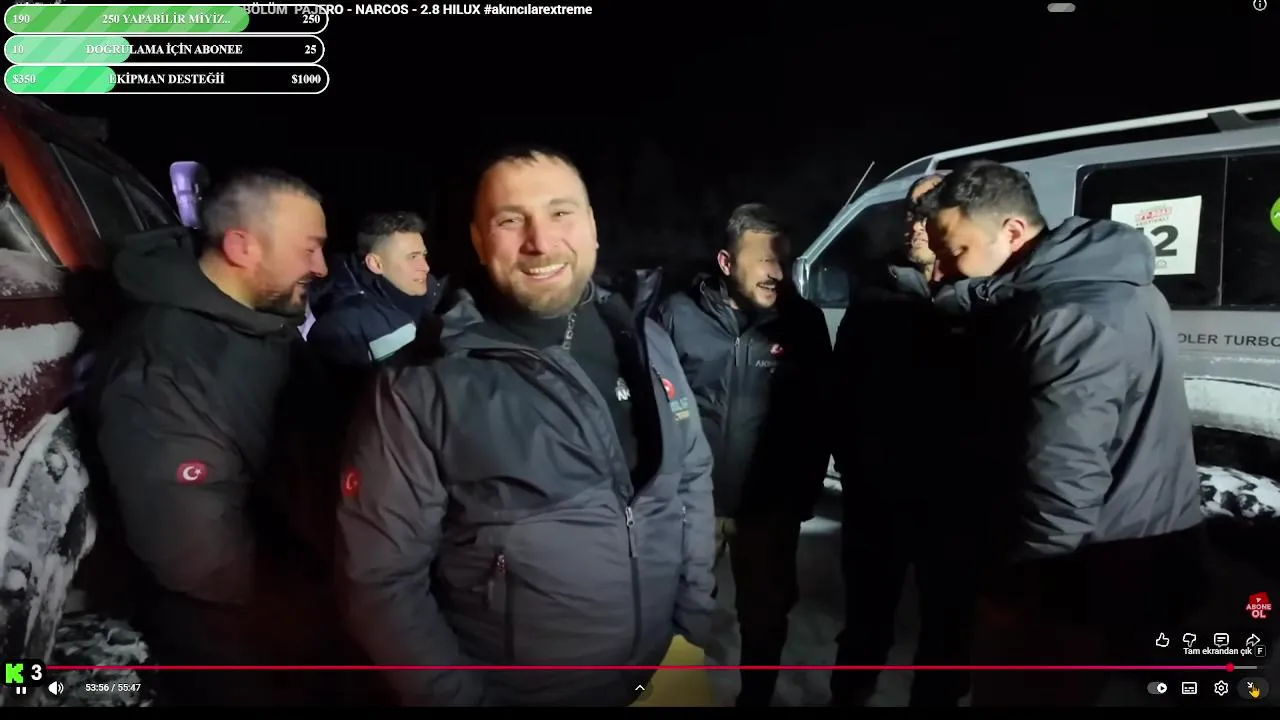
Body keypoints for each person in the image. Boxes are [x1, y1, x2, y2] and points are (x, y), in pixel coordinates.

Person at [336, 146, 718, 706]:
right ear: (478, 240)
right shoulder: (419, 385)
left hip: (664, 669)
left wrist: (693, 620)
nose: (540, 240)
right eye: (510, 220)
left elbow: (689, 476)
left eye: (561, 212)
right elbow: (381, 580)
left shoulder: (643, 338)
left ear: (591, 227)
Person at [920, 160, 1207, 706]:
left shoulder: (1067, 315)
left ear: (1012, 231)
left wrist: (1021, 594)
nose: (941, 269)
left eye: (955, 250)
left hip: (1081, 572)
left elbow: (1062, 474)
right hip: (1139, 544)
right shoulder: (1119, 286)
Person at [86, 169, 337, 705]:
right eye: (309, 249)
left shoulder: (259, 320)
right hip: (237, 635)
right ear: (243, 247)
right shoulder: (165, 366)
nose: (321, 267)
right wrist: (303, 616)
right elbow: (197, 554)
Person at [656, 203, 832, 707]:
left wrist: (800, 495)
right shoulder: (677, 316)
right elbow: (651, 406)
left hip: (769, 506)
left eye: (783, 259)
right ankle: (665, 695)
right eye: (764, 259)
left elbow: (822, 412)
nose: (778, 272)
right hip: (695, 503)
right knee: (675, 611)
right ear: (726, 262)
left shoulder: (803, 323)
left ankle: (755, 699)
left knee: (766, 616)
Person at [829, 173, 977, 708]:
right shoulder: (875, 290)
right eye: (910, 212)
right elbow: (842, 389)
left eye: (928, 211)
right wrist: (856, 465)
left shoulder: (988, 294)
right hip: (878, 497)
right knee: (864, 627)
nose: (913, 223)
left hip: (958, 504)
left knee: (949, 636)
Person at [308, 210, 446, 367]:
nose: (426, 267)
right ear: (375, 264)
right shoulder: (343, 330)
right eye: (412, 257)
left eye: (423, 255)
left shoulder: (439, 299)